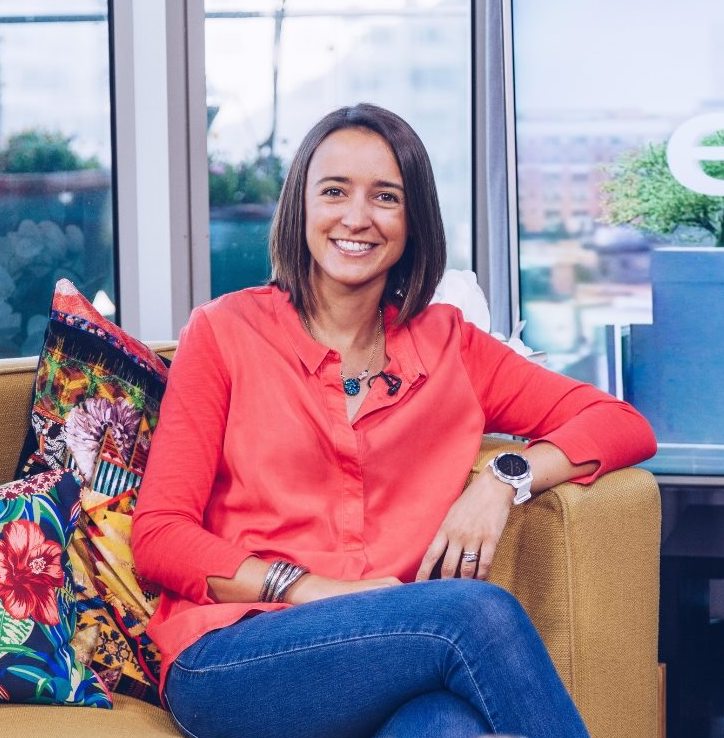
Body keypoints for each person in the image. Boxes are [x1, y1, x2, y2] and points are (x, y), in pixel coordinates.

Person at [132, 103, 657, 738]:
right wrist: (305, 586)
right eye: (334, 191)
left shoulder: (451, 348)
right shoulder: (224, 331)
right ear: (301, 205)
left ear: (414, 222)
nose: (357, 218)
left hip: (391, 654)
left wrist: (502, 479)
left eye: (386, 197)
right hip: (235, 659)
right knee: (476, 617)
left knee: (445, 726)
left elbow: (620, 422)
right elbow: (160, 534)